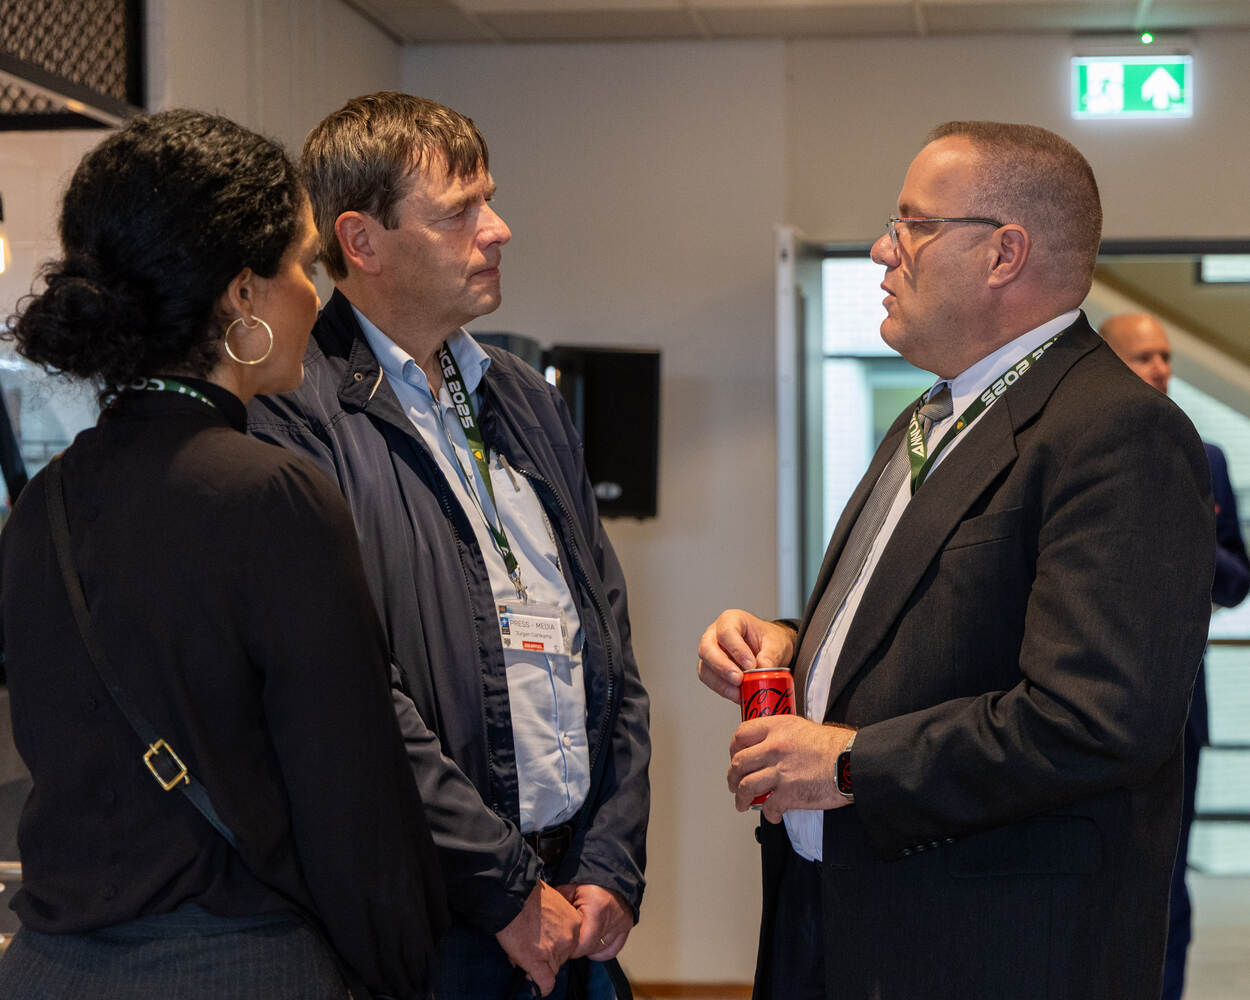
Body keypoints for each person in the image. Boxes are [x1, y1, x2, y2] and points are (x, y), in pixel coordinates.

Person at [697, 122, 1215, 999]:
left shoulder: (1118, 432)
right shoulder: (933, 414)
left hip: (985, 946)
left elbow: (1094, 719)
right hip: (840, 915)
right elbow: (938, 616)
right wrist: (797, 643)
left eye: (913, 225)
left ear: (1003, 254)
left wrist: (850, 761)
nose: (881, 251)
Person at [0, 109, 447, 998]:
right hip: (232, 967)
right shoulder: (274, 499)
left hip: (48, 971)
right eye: (297, 263)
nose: (313, 293)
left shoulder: (43, 504)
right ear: (241, 294)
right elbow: (353, 806)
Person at [248, 92, 650, 999]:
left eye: (490, 199)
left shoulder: (522, 396)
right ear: (362, 241)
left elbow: (609, 645)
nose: (498, 229)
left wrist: (613, 861)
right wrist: (505, 892)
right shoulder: (293, 411)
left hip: (575, 905)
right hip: (431, 925)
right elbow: (347, 694)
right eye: (459, 212)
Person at [1099, 311, 1250, 1000]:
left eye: (1164, 356)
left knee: (1168, 884)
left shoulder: (1208, 459)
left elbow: (1236, 580)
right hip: (1082, 705)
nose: (1159, 369)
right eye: (1141, 358)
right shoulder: (1080, 453)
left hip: (1180, 710)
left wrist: (1190, 536)